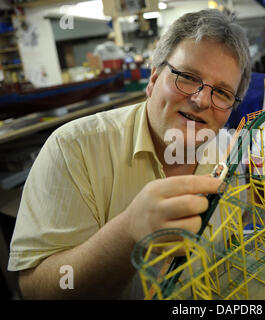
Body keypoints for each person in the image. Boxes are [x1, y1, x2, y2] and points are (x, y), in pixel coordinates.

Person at [8, 9, 251, 299]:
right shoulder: (73, 149)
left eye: (222, 93)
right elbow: (37, 291)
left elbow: (237, 237)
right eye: (187, 77)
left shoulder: (232, 153)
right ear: (153, 79)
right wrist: (127, 234)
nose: (200, 100)